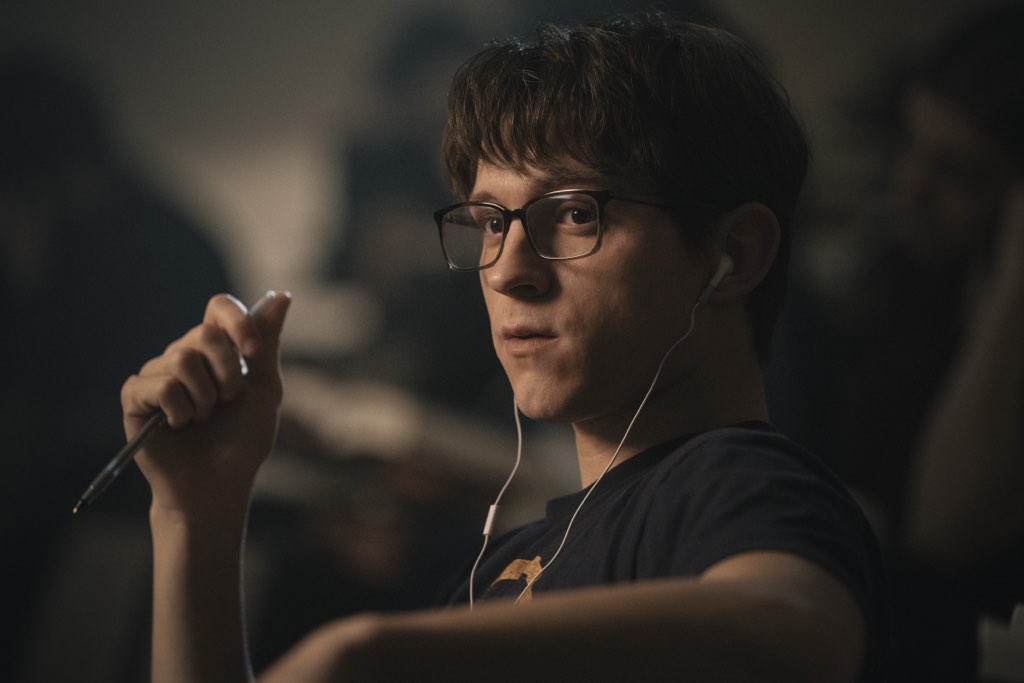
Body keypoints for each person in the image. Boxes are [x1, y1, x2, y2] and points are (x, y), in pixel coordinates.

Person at [119, 11, 888, 681]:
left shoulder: (738, 482)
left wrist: (371, 652)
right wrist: (196, 512)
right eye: (491, 222)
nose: (508, 269)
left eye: (576, 212)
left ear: (735, 253)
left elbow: (795, 628)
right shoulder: (508, 563)